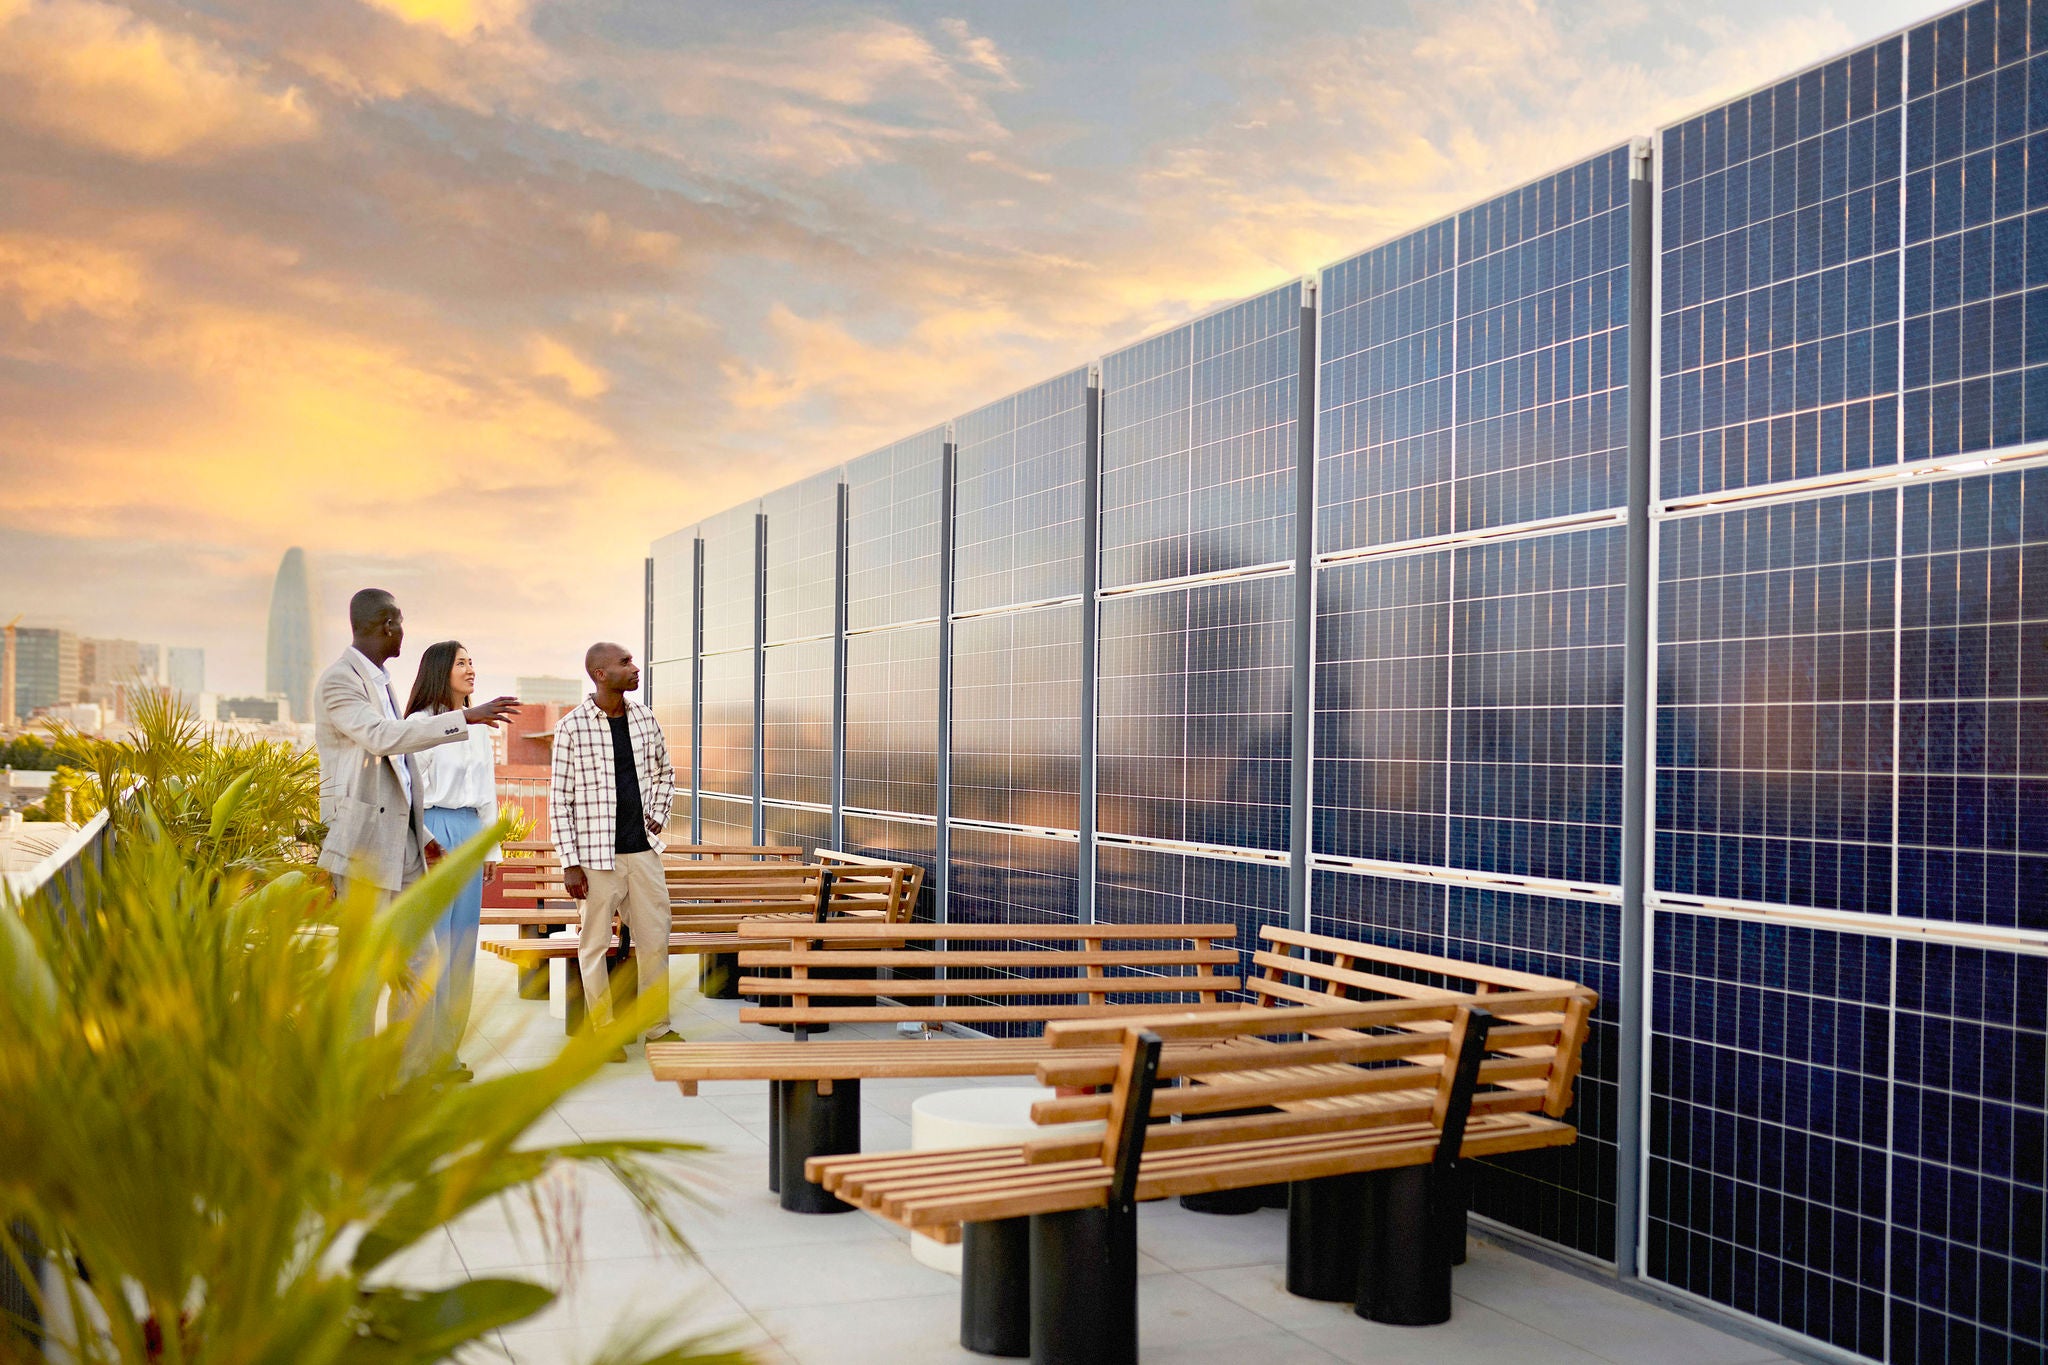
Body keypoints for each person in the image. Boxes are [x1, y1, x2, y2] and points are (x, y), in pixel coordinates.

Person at [314, 589, 518, 1068]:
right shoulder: (340, 681)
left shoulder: (380, 682)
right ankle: (358, 1078)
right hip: (365, 846)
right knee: (363, 970)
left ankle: (410, 1073)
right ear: (386, 624)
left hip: (405, 844)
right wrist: (464, 717)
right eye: (400, 622)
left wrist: (424, 836)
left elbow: (405, 777)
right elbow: (383, 740)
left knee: (426, 963)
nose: (404, 631)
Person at [550, 641, 679, 1060]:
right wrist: (570, 862)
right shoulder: (572, 727)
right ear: (601, 674)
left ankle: (657, 1029)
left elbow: (664, 771)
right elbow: (559, 800)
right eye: (625, 663)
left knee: (655, 940)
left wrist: (657, 812)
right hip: (594, 859)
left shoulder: (644, 719)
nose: (635, 667)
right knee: (593, 946)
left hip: (642, 853)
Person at [402, 640, 503, 1081]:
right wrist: (425, 840)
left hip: (468, 834)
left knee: (462, 949)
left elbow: (487, 791)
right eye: (461, 662)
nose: (471, 668)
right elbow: (407, 792)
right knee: (432, 950)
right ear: (440, 670)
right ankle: (418, 1059)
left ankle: (447, 1055)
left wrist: (491, 847)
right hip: (432, 834)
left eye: (472, 661)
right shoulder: (419, 724)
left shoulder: (478, 727)